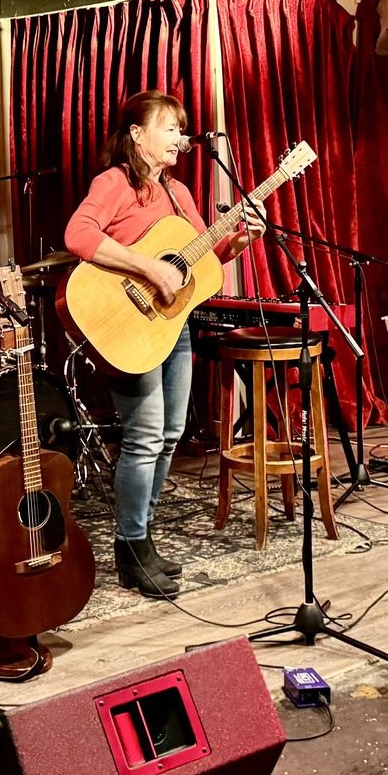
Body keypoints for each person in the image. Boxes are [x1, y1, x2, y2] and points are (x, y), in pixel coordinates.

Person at [63, 90, 264, 596]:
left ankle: (142, 539)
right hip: (126, 321)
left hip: (170, 324)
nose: (180, 137)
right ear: (137, 135)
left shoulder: (179, 194)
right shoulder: (114, 183)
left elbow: (205, 254)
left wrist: (240, 240)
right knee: (145, 435)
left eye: (181, 129)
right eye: (170, 127)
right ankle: (130, 545)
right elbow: (78, 234)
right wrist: (146, 265)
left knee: (172, 433)